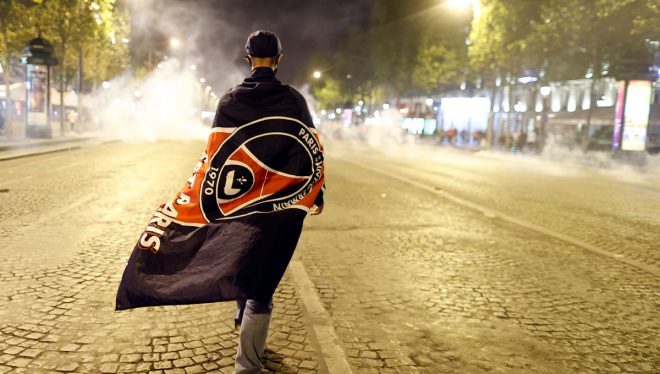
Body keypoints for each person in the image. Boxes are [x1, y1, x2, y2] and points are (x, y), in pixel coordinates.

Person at [115, 30, 325, 374]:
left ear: (247, 59)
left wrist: (194, 199)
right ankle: (247, 364)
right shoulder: (295, 101)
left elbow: (214, 159)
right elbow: (311, 153)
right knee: (265, 279)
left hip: (238, 204)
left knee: (242, 253)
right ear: (279, 59)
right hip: (277, 208)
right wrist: (318, 192)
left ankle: (241, 322)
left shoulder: (229, 101)